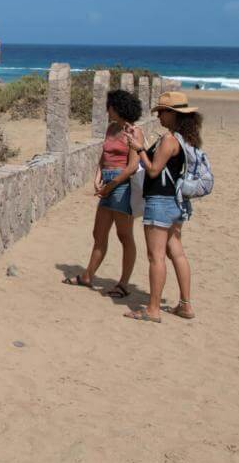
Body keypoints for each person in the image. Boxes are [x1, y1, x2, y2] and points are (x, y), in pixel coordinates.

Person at [123, 91, 201, 322]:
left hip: (160, 201)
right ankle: (185, 305)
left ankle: (153, 309)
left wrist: (137, 148)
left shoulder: (169, 140)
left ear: (173, 114)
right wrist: (140, 144)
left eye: (162, 113)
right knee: (175, 251)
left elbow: (153, 169)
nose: (159, 117)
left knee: (155, 256)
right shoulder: (185, 139)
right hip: (176, 201)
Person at [64, 89, 142, 298]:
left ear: (117, 107)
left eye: (109, 106)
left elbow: (133, 166)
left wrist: (112, 184)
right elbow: (104, 156)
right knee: (99, 233)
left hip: (122, 185)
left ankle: (123, 283)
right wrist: (98, 177)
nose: (107, 110)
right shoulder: (111, 129)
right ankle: (88, 276)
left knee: (124, 236)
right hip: (107, 183)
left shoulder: (133, 132)